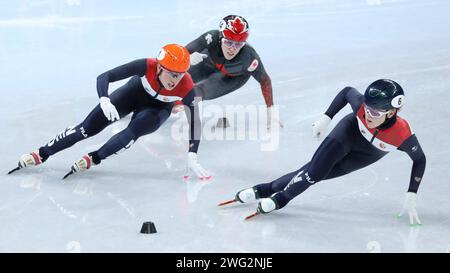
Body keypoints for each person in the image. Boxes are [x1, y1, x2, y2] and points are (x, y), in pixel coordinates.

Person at [224, 79, 426, 225]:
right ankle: (280, 199)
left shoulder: (402, 135)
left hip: (365, 155)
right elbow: (347, 91)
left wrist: (411, 193)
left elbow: (420, 160)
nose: (368, 114)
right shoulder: (361, 109)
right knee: (314, 173)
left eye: (374, 112)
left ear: (391, 112)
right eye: (366, 107)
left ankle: (265, 189)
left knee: (315, 172)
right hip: (348, 132)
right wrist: (326, 117)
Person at [9, 44, 211, 180]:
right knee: (85, 130)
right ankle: (42, 153)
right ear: (159, 67)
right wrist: (104, 99)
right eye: (171, 73)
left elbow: (195, 121)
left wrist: (192, 154)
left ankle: (94, 158)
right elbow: (105, 76)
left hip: (157, 109)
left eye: (179, 74)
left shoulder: (186, 86)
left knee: (133, 132)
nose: (174, 79)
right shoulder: (146, 65)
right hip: (132, 94)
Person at [185, 15, 283, 129]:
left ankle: (173, 106)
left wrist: (271, 111)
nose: (232, 48)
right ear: (220, 37)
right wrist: (186, 60)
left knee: (196, 92)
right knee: (179, 78)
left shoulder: (249, 58)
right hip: (208, 63)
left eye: (238, 44)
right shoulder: (211, 37)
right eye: (228, 42)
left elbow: (265, 81)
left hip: (233, 77)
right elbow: (181, 53)